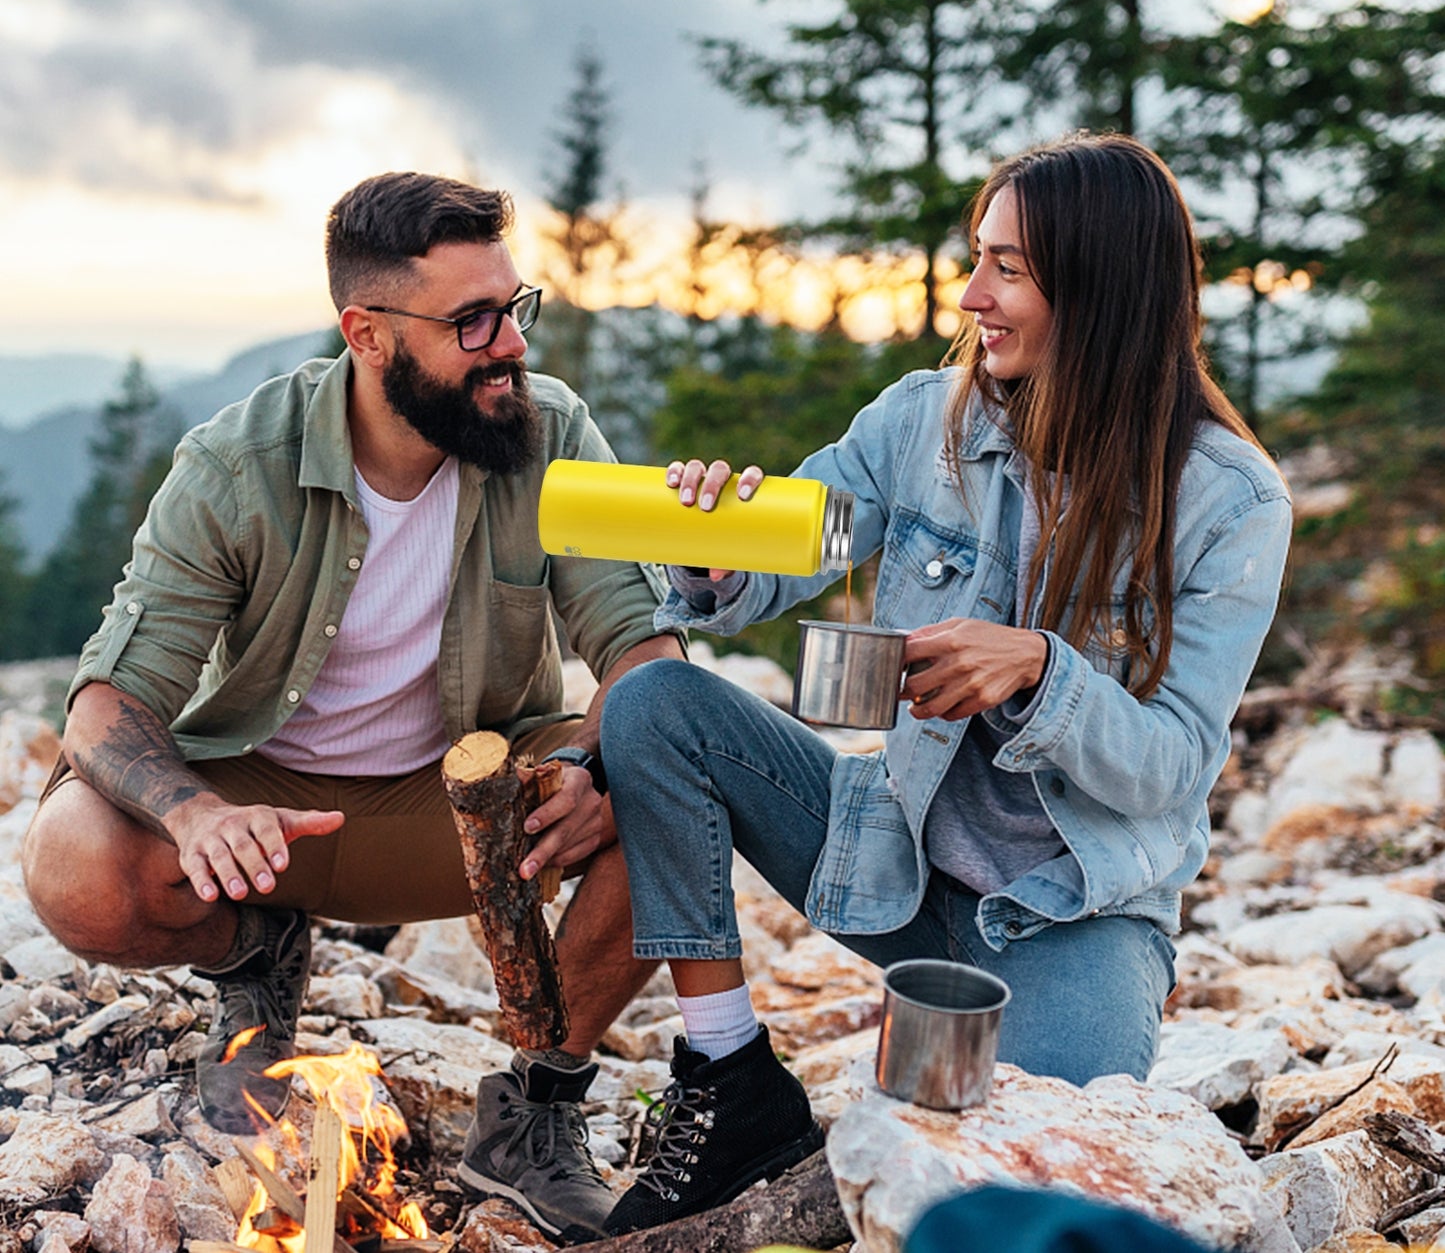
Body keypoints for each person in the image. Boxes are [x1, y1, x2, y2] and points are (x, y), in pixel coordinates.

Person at [596, 133, 1293, 1235]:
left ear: (1097, 288)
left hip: (1073, 917)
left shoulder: (1229, 502)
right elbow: (794, 547)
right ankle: (729, 1076)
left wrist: (1041, 670)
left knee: (1026, 1192)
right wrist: (714, 547)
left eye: (1006, 268)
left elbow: (1171, 765)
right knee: (656, 705)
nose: (971, 295)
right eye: (978, 258)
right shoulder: (922, 421)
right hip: (893, 859)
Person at [21, 171, 684, 1245]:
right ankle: (254, 955)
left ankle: (536, 1109)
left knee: (680, 763)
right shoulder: (240, 462)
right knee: (73, 861)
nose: (510, 344)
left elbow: (642, 647)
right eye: (472, 321)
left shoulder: (549, 428)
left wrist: (598, 769)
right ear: (367, 334)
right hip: (264, 811)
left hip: (468, 806)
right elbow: (104, 703)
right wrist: (195, 814)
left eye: (514, 307)